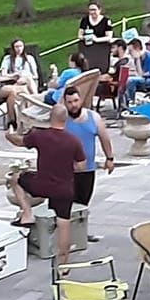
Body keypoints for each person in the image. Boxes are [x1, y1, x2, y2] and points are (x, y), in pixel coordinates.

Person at [8, 101, 85, 261]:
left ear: (50, 118)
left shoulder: (40, 136)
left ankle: (27, 214)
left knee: (16, 179)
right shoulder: (74, 141)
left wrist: (9, 135)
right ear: (66, 120)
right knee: (64, 224)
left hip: (42, 185)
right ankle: (63, 264)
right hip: (64, 189)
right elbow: (81, 167)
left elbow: (19, 141)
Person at [63, 82, 115, 236]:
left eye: (75, 101)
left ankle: (80, 234)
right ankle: (67, 233)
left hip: (87, 169)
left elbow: (104, 138)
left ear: (81, 100)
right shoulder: (61, 119)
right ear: (65, 103)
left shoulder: (93, 117)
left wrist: (109, 158)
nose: (73, 105)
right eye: (70, 102)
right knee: (66, 203)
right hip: (66, 171)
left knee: (83, 203)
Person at [120, 31, 150, 107]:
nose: (130, 54)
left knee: (130, 81)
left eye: (131, 51)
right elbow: (139, 74)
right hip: (146, 78)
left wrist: (137, 60)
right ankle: (124, 102)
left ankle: (131, 101)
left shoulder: (149, 57)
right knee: (125, 79)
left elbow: (141, 74)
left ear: (137, 49)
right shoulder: (140, 57)